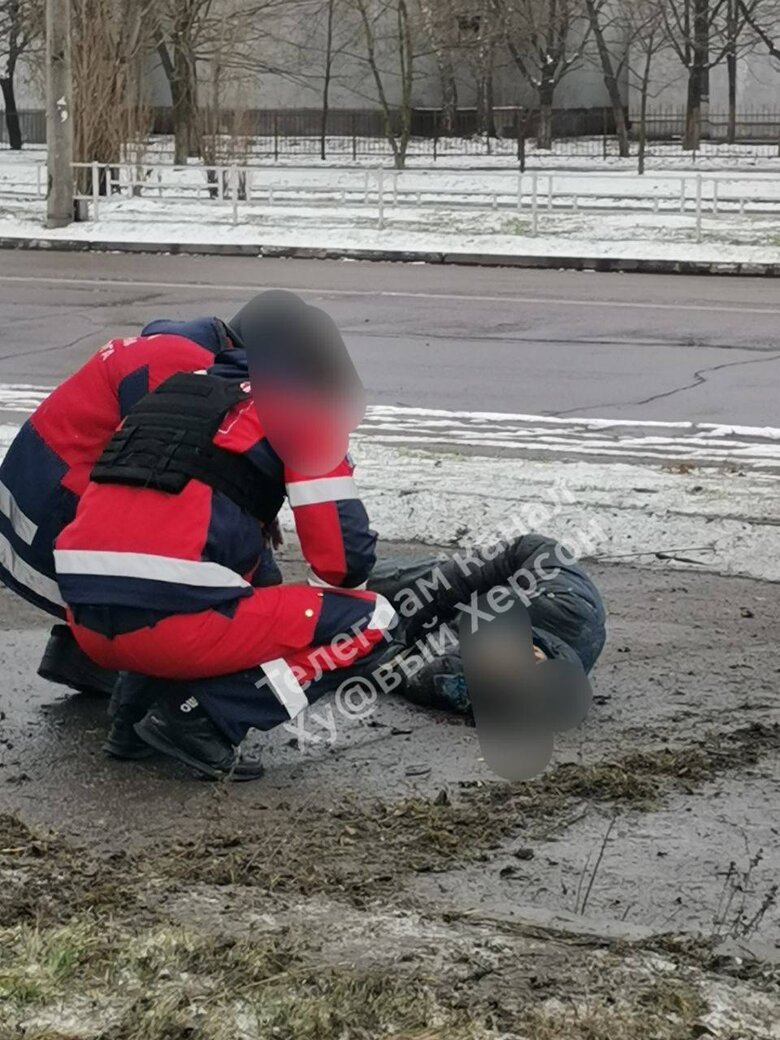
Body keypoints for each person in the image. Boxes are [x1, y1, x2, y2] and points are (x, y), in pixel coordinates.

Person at [55, 292, 393, 780]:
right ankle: (204, 719)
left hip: (85, 617)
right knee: (372, 620)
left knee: (203, 581)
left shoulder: (171, 393)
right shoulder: (299, 411)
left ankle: (129, 722)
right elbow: (343, 560)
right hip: (172, 630)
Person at [0, 312, 247, 696]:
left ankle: (86, 650)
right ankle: (121, 658)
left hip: (31, 507)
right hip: (53, 520)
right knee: (178, 547)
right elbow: (166, 468)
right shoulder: (187, 366)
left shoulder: (155, 348)